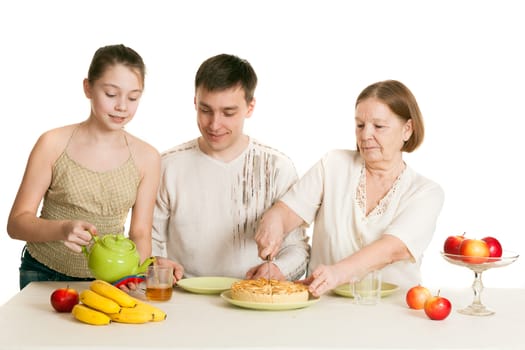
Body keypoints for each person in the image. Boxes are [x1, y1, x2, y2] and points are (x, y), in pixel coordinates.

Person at [255, 80, 444, 297]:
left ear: (407, 130)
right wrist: (273, 222)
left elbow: (392, 249)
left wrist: (337, 273)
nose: (365, 135)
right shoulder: (333, 164)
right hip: (324, 307)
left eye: (379, 126)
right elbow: (287, 211)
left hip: (393, 313)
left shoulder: (426, 192)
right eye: (360, 125)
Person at [7, 44, 161, 289]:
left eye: (133, 97)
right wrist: (62, 229)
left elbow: (140, 233)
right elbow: (16, 224)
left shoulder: (148, 157)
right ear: (88, 88)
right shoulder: (53, 143)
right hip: (43, 273)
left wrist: (133, 275)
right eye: (111, 94)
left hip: (110, 280)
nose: (122, 106)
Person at [152, 53, 309, 282]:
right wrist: (155, 263)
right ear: (195, 102)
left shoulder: (276, 168)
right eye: (205, 110)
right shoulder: (167, 166)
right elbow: (148, 242)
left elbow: (297, 248)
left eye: (228, 113)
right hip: (183, 298)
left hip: (253, 298)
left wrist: (278, 270)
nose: (214, 124)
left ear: (250, 107)